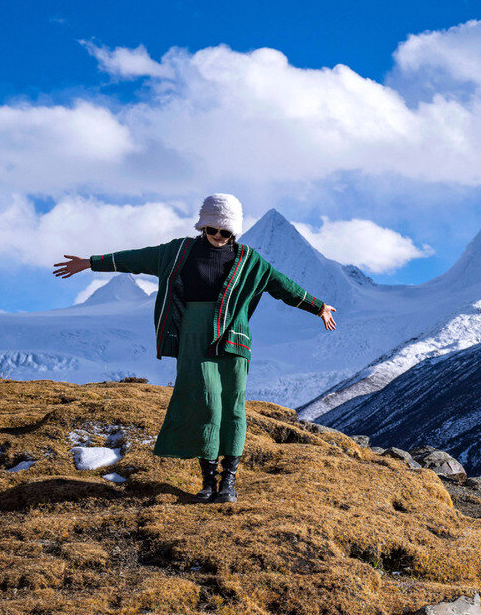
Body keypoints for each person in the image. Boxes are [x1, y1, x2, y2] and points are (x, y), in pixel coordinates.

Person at [53, 194, 337, 504]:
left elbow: (282, 285)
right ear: (202, 226)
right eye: (212, 230)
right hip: (193, 335)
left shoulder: (248, 260)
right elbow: (136, 258)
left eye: (225, 232)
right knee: (206, 404)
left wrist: (318, 306)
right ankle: (207, 479)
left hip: (234, 339)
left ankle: (228, 480)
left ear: (234, 232)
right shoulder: (178, 252)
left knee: (232, 406)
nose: (218, 237)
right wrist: (91, 263)